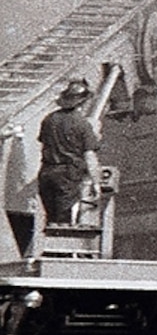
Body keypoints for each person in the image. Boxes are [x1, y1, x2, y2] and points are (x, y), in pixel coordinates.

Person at [37, 77, 98, 226]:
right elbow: (89, 156)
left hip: (46, 173)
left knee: (51, 220)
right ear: (83, 102)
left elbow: (45, 144)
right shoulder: (83, 124)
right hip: (67, 177)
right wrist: (95, 182)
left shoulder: (48, 119)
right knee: (65, 223)